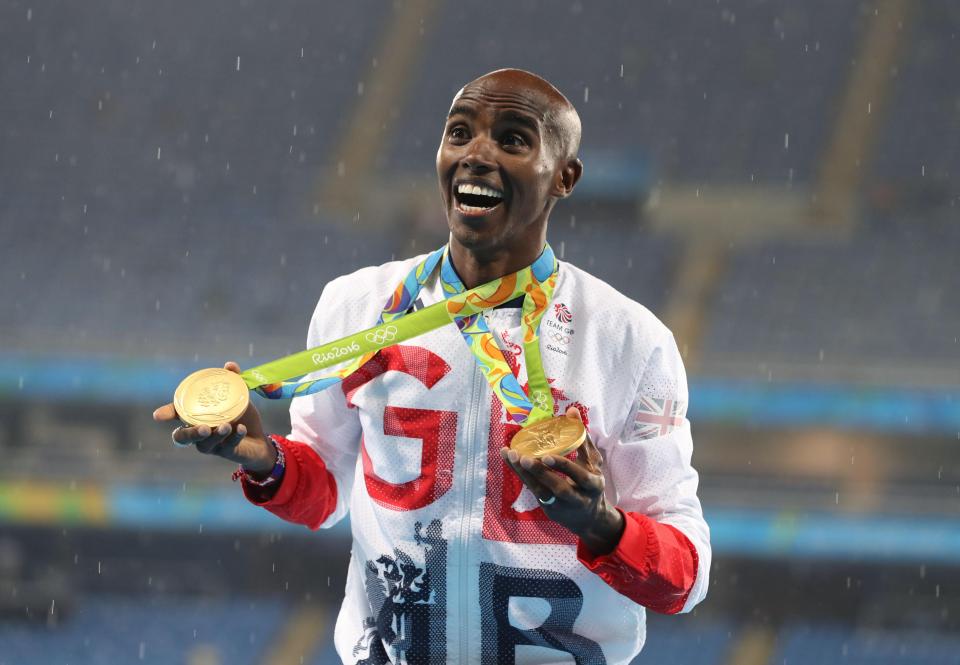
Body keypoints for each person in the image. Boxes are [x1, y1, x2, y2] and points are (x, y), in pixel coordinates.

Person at [154, 68, 710, 665]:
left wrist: (601, 525)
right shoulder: (356, 307)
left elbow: (684, 578)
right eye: (460, 133)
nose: (476, 154)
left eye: (513, 140)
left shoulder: (629, 339)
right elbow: (323, 495)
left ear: (565, 177)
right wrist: (268, 462)